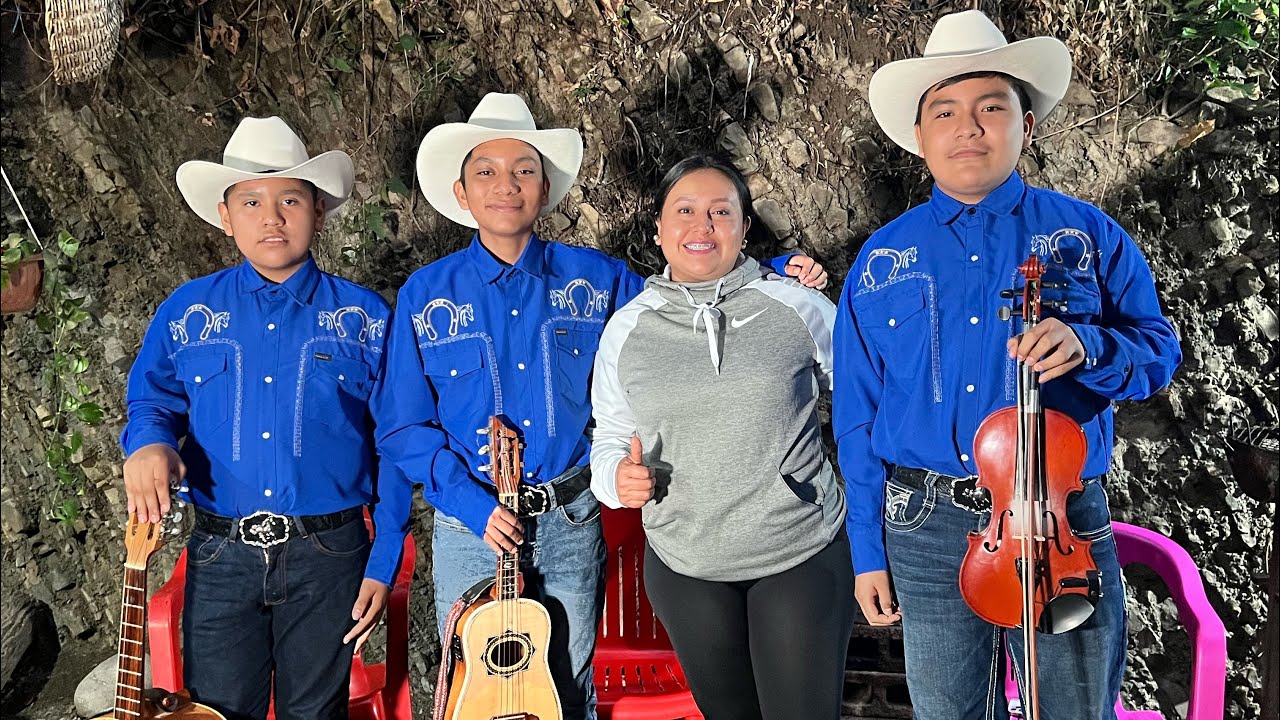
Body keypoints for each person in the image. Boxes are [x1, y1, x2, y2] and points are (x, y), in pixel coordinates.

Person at [374, 93, 827, 720]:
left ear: (545, 188)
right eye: (487, 172)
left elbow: (683, 298)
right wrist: (471, 504)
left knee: (565, 684)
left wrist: (772, 273)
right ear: (460, 192)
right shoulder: (425, 295)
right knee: (471, 693)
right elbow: (402, 426)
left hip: (568, 519)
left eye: (524, 170)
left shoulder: (598, 279)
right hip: (470, 525)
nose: (506, 186)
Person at [833, 10, 1182, 719]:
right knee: (950, 713)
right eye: (947, 113)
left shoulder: (1087, 236)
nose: (970, 127)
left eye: (992, 107)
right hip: (925, 523)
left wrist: (1092, 348)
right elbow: (858, 414)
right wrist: (867, 549)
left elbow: (1158, 352)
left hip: (1062, 521)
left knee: (1076, 708)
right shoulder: (880, 260)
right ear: (921, 137)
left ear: (1028, 123)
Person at [120, 116, 412, 720]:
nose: (271, 217)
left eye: (290, 200)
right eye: (250, 201)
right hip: (219, 553)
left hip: (330, 555)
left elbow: (398, 439)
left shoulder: (367, 319)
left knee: (316, 711)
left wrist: (383, 560)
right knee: (215, 710)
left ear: (320, 212)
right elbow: (152, 401)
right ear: (226, 217)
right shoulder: (187, 312)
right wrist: (148, 444)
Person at [588, 154, 851, 720]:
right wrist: (616, 478)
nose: (701, 227)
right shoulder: (628, 329)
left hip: (797, 550)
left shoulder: (797, 306)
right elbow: (609, 436)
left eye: (719, 212)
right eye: (684, 211)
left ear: (743, 227)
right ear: (658, 229)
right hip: (686, 565)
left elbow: (862, 402)